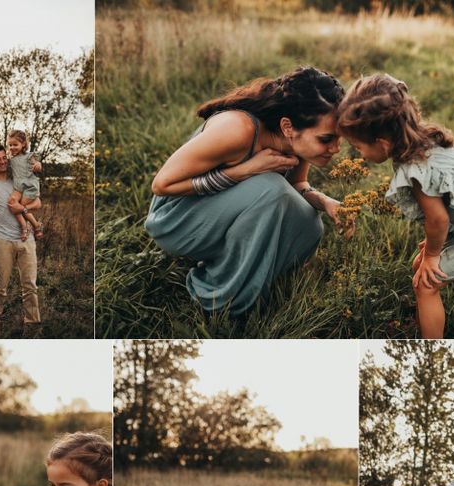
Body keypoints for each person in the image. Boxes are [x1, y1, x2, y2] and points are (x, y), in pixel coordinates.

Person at [145, 66, 347, 316]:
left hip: (218, 209)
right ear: (287, 127)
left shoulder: (295, 142)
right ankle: (223, 299)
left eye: (340, 138)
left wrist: (325, 201)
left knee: (309, 223)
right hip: (175, 219)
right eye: (326, 139)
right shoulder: (238, 130)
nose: (336, 148)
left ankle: (253, 277)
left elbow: (297, 186)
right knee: (272, 191)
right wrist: (244, 171)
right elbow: (162, 185)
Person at [337, 74, 454, 339]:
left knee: (424, 283)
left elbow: (438, 220)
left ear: (382, 143)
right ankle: (425, 318)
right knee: (419, 265)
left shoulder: (416, 166)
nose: (359, 155)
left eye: (357, 147)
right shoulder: (422, 140)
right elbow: (445, 205)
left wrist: (434, 253)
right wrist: (431, 247)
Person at [0, 144, 42, 337]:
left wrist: (22, 209)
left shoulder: (19, 178)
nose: (2, 162)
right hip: (3, 241)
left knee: (30, 286)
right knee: (0, 285)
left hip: (27, 240)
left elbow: (38, 202)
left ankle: (32, 326)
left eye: (4, 158)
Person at [6, 129, 43, 240]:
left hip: (29, 186)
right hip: (18, 186)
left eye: (15, 145)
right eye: (10, 145)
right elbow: (7, 171)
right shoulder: (11, 160)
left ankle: (32, 227)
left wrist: (38, 165)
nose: (12, 147)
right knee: (12, 203)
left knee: (19, 207)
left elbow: (37, 165)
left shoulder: (29, 156)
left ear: (23, 144)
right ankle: (31, 225)